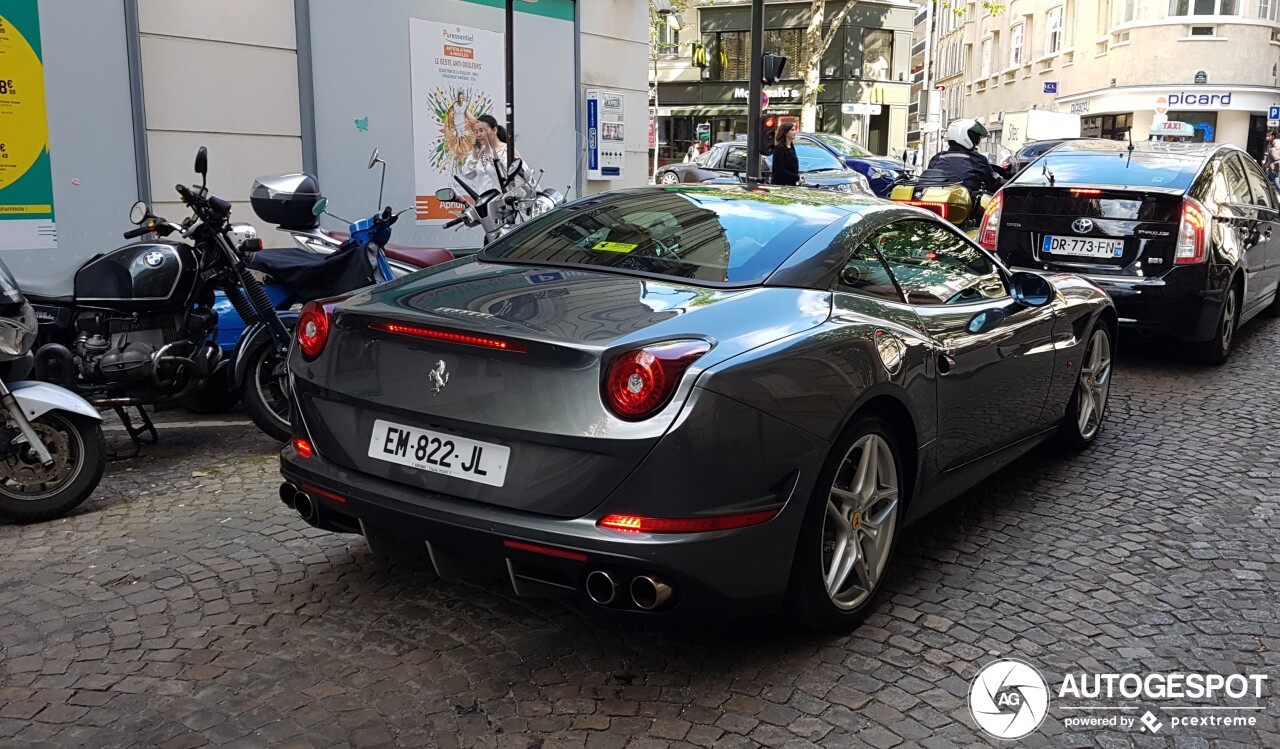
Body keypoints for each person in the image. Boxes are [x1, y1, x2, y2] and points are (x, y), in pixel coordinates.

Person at [926, 118, 1001, 201]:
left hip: (934, 203)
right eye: (975, 139)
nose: (976, 143)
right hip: (965, 208)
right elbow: (993, 184)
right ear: (966, 136)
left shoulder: (936, 158)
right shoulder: (978, 160)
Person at [462, 114, 522, 194]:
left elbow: (521, 175)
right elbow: (467, 174)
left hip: (504, 201)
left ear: (494, 130)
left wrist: (502, 161)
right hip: (485, 202)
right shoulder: (480, 152)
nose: (479, 135)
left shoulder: (507, 149)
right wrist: (474, 156)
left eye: (482, 130)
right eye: (476, 132)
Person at [770, 122, 802, 187]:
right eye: (792, 130)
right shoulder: (779, 148)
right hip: (781, 185)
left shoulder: (791, 146)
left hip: (792, 184)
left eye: (795, 130)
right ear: (785, 132)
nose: (795, 132)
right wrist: (797, 178)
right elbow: (780, 170)